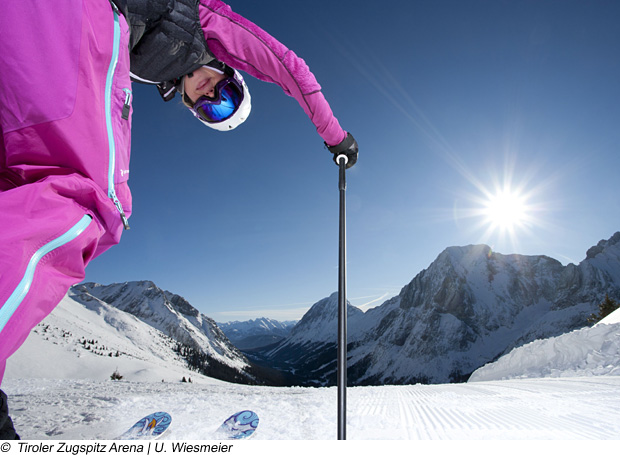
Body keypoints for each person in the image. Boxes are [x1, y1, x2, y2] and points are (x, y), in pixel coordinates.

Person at [0, 0, 358, 439]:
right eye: (225, 95)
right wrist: (336, 137)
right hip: (70, 23)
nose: (210, 96)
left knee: (15, 189)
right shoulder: (204, 23)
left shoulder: (142, 63)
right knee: (90, 200)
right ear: (230, 71)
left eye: (215, 109)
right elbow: (288, 66)